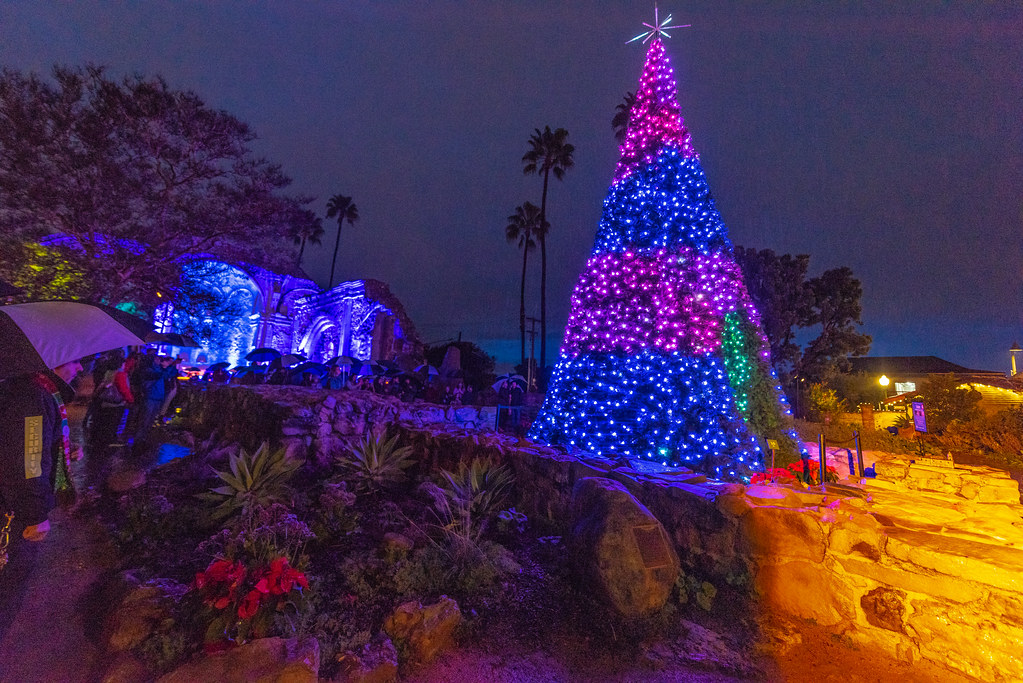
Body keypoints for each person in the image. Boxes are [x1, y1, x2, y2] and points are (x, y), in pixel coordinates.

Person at [0, 360, 82, 641]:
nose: (80, 367)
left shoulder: (23, 391)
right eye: (74, 359)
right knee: (7, 589)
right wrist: (36, 514)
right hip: (14, 515)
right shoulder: (33, 398)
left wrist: (59, 449)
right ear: (54, 361)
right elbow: (28, 462)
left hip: (10, 503)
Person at [132, 355, 178, 458]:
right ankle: (137, 443)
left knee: (149, 422)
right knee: (144, 421)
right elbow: (162, 374)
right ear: (152, 360)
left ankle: (142, 441)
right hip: (150, 398)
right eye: (157, 358)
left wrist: (173, 366)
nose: (159, 360)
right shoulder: (148, 370)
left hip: (157, 398)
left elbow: (169, 374)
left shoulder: (157, 369)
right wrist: (172, 365)